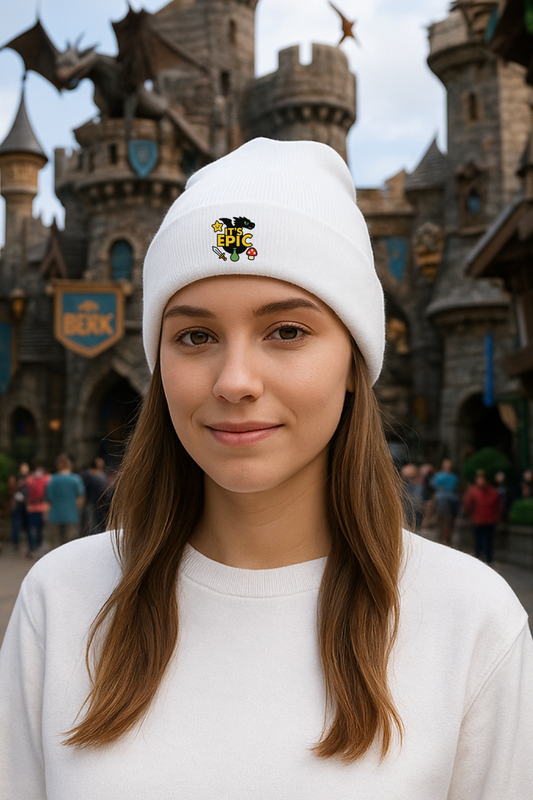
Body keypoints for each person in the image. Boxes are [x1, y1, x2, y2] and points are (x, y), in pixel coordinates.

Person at [0, 139, 532, 798]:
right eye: (194, 336)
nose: (235, 381)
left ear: (352, 363)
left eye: (286, 331)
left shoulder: (469, 621)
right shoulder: (62, 600)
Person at [463, 469, 503, 566]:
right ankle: (480, 560)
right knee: (479, 541)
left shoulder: (492, 492)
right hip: (478, 520)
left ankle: (487, 560)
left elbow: (498, 505)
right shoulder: (473, 491)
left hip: (488, 520)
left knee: (488, 541)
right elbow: (467, 505)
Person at [44, 453, 85, 546]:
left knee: (55, 545)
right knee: (70, 545)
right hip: (71, 515)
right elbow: (80, 498)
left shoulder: (52, 479)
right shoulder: (76, 479)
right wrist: (78, 510)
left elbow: (48, 498)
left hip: (55, 515)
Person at [431, 457, 460, 546]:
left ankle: (447, 537)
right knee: (443, 519)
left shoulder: (453, 477)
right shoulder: (439, 476)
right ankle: (443, 537)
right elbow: (433, 485)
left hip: (451, 499)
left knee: (451, 520)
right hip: (442, 499)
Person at [25, 463, 51, 555]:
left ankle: (32, 548)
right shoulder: (47, 479)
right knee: (40, 529)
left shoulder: (29, 479)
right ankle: (39, 546)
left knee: (32, 528)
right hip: (42, 507)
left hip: (31, 507)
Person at [81, 457, 110, 535]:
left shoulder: (103, 474)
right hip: (91, 501)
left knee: (100, 521)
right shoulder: (88, 474)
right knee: (90, 522)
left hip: (103, 502)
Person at [7, 462, 29, 552]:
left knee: (25, 523)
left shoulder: (26, 478)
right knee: (17, 523)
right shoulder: (18, 478)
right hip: (19, 504)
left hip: (24, 504)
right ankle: (16, 543)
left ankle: (25, 543)